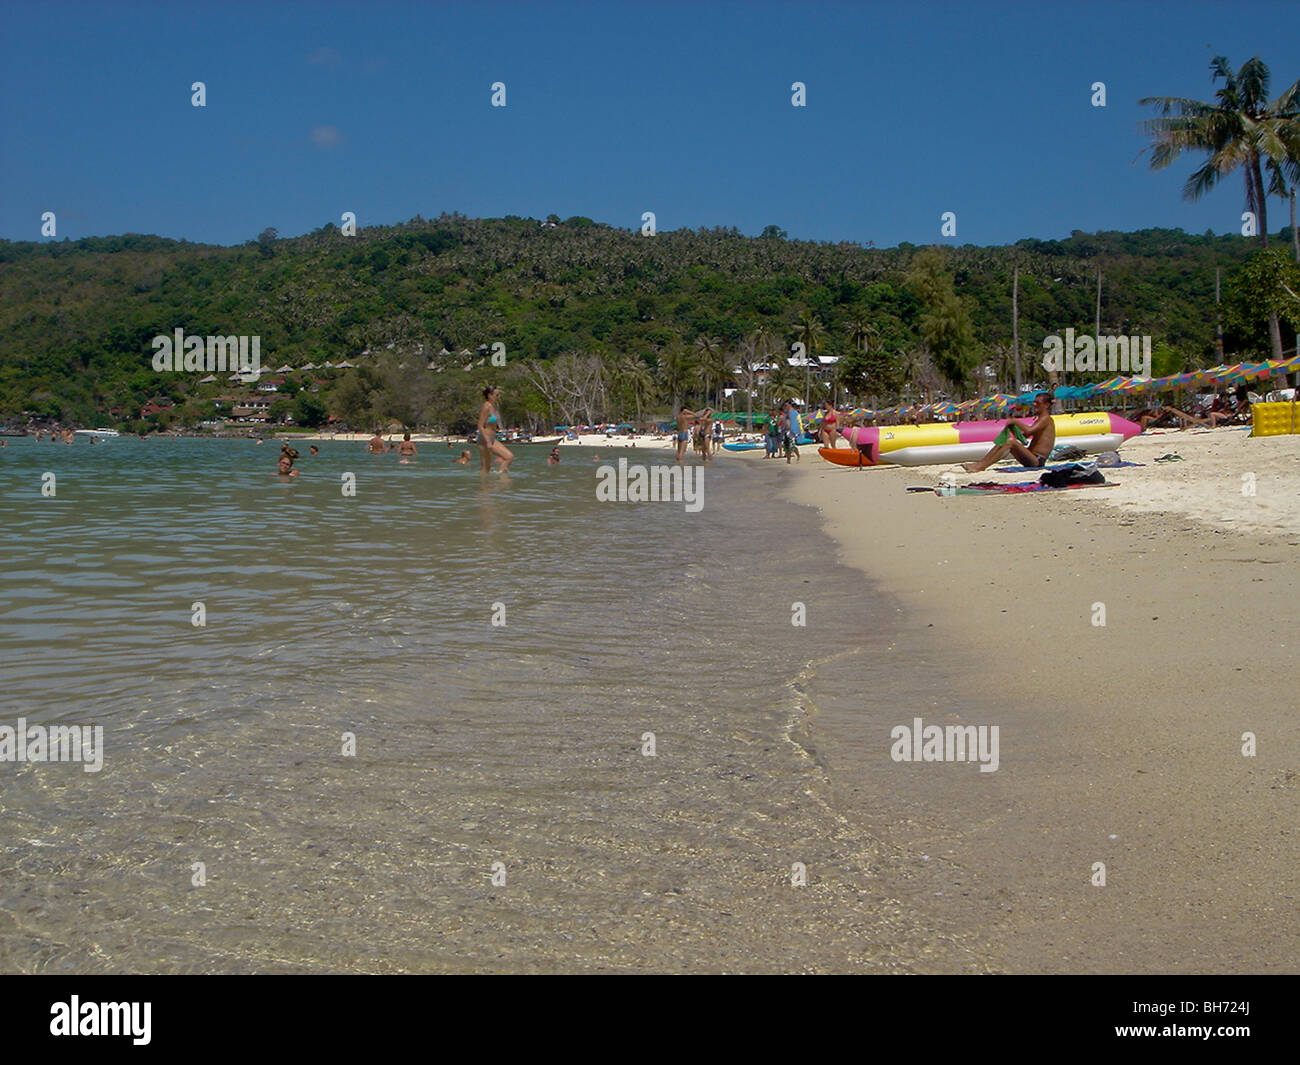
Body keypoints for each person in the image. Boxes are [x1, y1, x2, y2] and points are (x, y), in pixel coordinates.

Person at [963, 390, 1056, 471]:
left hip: (1037, 460)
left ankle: (982, 466)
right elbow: (1024, 437)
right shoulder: (1039, 420)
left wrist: (1015, 421)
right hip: (1031, 456)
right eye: (1034, 402)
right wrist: (1012, 428)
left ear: (1046, 405)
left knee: (1010, 442)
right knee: (1005, 441)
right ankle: (980, 464)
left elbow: (1029, 431)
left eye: (1038, 402)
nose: (1034, 404)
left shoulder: (1046, 419)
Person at [477, 386, 514, 472]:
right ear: (490, 395)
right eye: (496, 395)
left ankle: (498, 479)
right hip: (485, 440)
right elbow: (480, 426)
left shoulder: (493, 406)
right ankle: (498, 480)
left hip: (492, 439)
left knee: (508, 457)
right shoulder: (486, 407)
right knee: (486, 467)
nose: (498, 397)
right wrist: (488, 441)